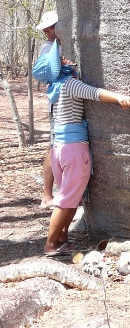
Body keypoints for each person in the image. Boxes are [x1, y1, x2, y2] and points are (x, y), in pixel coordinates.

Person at [32, 40, 130, 255]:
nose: (66, 58)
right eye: (61, 58)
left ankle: (62, 239)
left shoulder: (55, 86)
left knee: (69, 197)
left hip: (59, 149)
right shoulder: (69, 84)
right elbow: (95, 93)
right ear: (58, 66)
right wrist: (119, 97)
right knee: (67, 199)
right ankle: (51, 245)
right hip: (73, 150)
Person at [35, 11, 61, 210]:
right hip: (59, 103)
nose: (46, 30)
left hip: (74, 103)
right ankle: (47, 195)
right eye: (45, 27)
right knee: (54, 149)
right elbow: (48, 76)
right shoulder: (48, 48)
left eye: (50, 27)